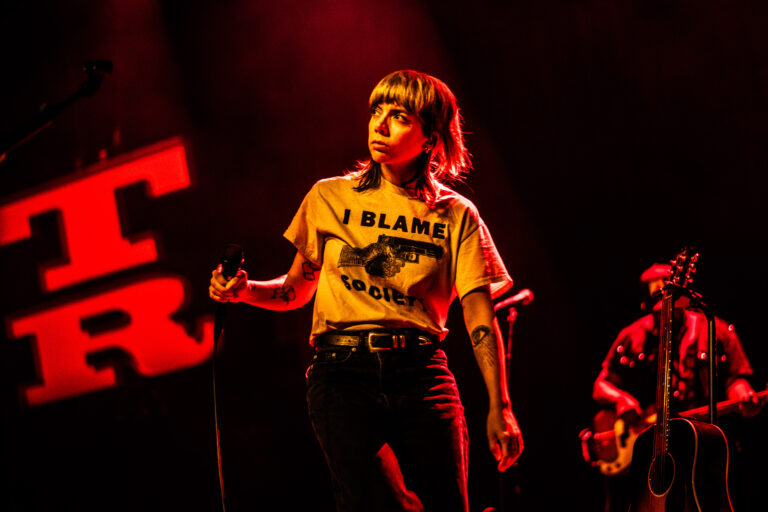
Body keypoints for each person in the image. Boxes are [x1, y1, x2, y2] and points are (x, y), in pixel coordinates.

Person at [209, 69, 524, 511]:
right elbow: (296, 289)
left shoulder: (457, 215)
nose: (379, 124)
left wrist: (500, 405)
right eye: (377, 110)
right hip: (341, 371)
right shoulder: (329, 197)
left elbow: (479, 317)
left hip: (422, 373)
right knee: (374, 502)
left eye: (398, 116)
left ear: (430, 138)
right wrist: (244, 291)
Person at [591, 262, 762, 512]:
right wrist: (621, 400)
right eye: (657, 311)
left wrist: (742, 396)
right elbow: (601, 384)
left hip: (700, 447)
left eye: (671, 308)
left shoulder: (717, 331)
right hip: (647, 448)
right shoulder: (631, 336)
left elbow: (736, 378)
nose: (665, 317)